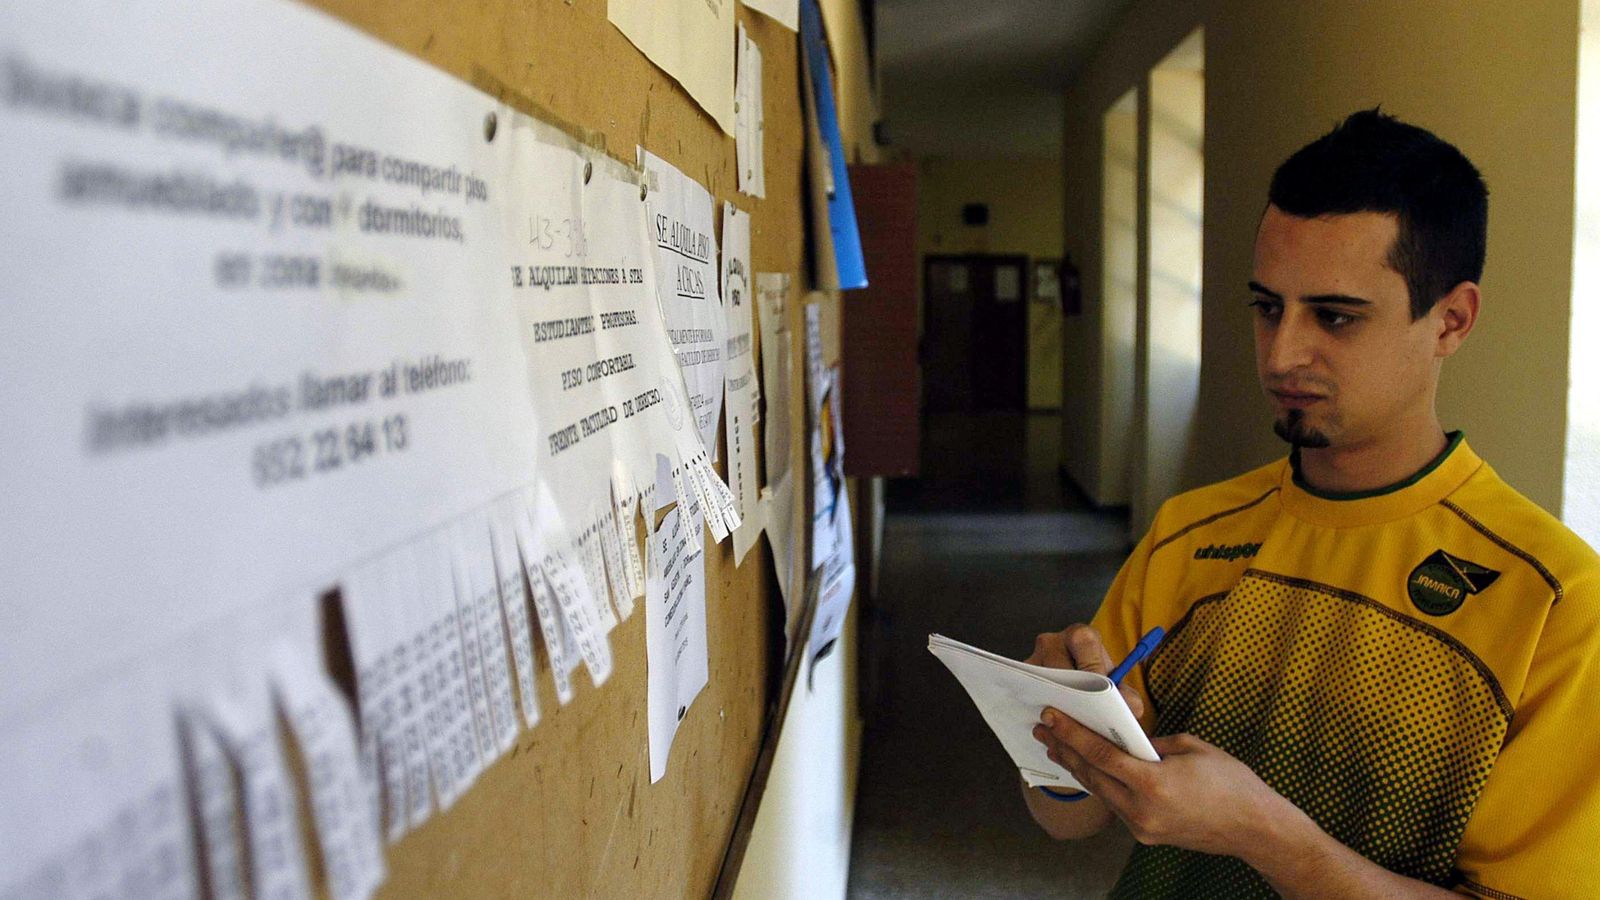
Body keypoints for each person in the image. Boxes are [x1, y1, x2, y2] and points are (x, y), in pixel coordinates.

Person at [1024, 109, 1600, 899]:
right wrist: (1054, 732)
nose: (1283, 352)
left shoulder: (1555, 602)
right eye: (1268, 307)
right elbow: (1068, 818)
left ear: (1451, 321)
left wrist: (1269, 838)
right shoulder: (1190, 532)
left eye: (1334, 316)